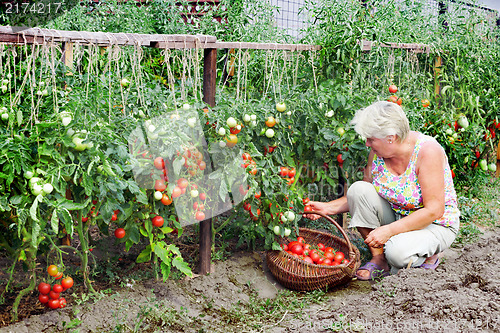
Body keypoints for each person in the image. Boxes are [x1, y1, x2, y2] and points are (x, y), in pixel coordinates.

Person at [306, 101, 460, 281]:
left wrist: (388, 231)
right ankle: (379, 259)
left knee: (396, 252)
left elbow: (434, 210)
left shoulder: (427, 152)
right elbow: (363, 196)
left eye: (371, 139)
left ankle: (429, 254)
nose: (367, 143)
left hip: (434, 224)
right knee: (359, 189)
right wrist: (327, 208)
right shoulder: (378, 153)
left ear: (391, 138)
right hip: (398, 216)